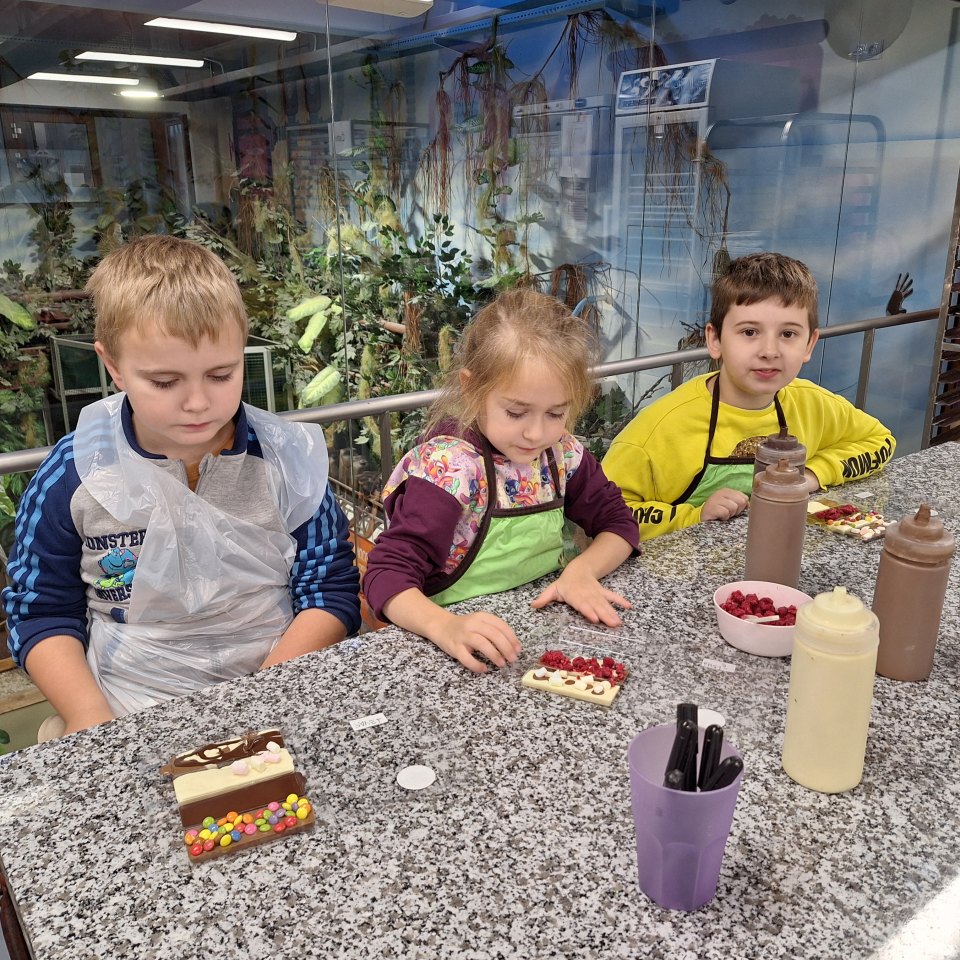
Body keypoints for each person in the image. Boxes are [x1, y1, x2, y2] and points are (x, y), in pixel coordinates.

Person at [2, 235, 360, 736]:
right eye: (165, 382)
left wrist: (265, 693)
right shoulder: (74, 474)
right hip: (127, 703)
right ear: (113, 366)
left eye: (221, 374)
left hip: (276, 682)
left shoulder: (287, 462)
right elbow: (41, 610)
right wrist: (88, 717)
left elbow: (328, 588)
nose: (197, 403)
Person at [362, 289, 640, 674]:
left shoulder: (562, 454)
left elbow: (619, 524)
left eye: (556, 413)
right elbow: (384, 576)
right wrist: (445, 626)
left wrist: (581, 572)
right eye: (516, 412)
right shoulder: (451, 469)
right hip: (450, 648)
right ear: (472, 388)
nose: (536, 433)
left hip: (535, 634)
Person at [603, 252, 896, 541]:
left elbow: (880, 441)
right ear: (715, 340)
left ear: (809, 344)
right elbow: (606, 513)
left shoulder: (814, 405)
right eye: (749, 332)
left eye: (788, 334)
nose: (769, 351)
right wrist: (694, 516)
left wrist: (811, 474)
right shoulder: (657, 430)